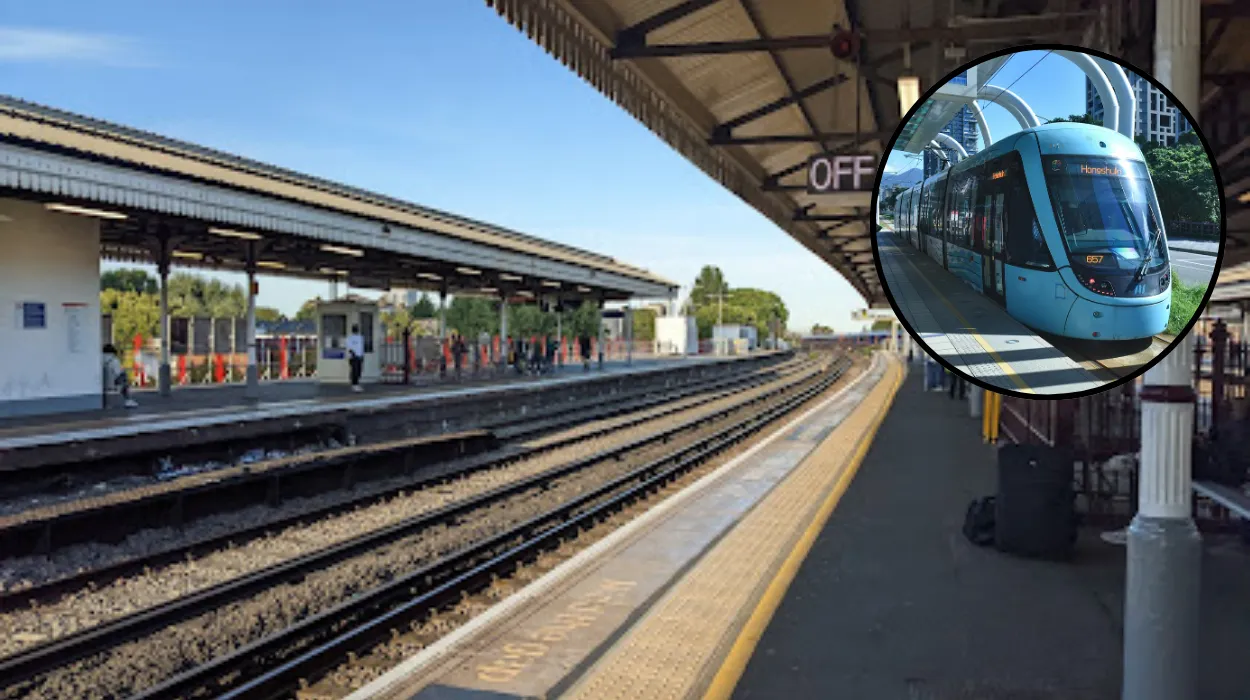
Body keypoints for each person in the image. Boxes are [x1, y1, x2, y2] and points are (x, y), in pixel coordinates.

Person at [102, 344, 139, 408]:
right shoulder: (114, 360)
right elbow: (118, 372)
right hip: (112, 383)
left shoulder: (99, 359)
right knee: (124, 378)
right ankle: (128, 400)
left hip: (101, 383)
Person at [347, 324, 365, 392]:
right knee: (355, 371)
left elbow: (361, 348)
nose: (356, 330)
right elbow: (349, 348)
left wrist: (362, 356)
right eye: (355, 329)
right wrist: (353, 354)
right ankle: (354, 385)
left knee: (359, 371)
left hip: (359, 357)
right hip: (353, 357)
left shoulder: (360, 338)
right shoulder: (350, 338)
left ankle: (357, 384)